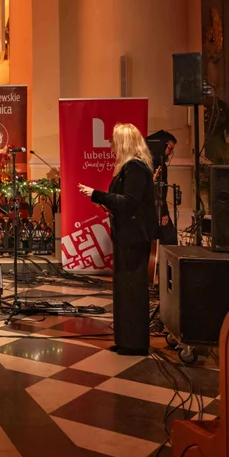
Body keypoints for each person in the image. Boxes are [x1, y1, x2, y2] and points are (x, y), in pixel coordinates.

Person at [78, 123, 155, 355]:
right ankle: (126, 340)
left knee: (132, 288)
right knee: (124, 288)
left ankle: (134, 343)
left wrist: (96, 194)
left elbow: (129, 201)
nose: (110, 145)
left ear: (124, 142)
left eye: (113, 141)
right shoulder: (129, 168)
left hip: (134, 237)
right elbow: (125, 202)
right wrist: (106, 203)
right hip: (127, 235)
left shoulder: (135, 167)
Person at [146, 129, 178, 245]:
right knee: (169, 236)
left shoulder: (160, 164)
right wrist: (163, 212)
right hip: (153, 209)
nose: (169, 152)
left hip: (158, 206)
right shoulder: (149, 164)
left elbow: (162, 191)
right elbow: (157, 191)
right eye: (169, 148)